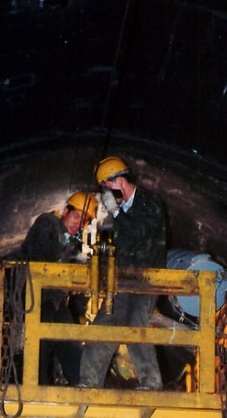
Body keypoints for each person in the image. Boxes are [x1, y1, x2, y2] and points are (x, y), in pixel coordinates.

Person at [78, 156, 167, 390]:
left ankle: (152, 383)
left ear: (119, 180)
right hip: (123, 281)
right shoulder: (124, 211)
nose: (107, 193)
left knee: (135, 324)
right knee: (103, 326)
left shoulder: (149, 202)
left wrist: (116, 211)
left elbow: (139, 233)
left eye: (107, 186)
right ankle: (88, 382)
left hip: (146, 279)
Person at [20, 192, 98, 384]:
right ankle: (42, 387)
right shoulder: (47, 223)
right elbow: (45, 255)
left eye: (84, 221)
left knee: (65, 342)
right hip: (37, 297)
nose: (78, 224)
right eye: (76, 216)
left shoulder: (71, 241)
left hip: (54, 300)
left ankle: (82, 385)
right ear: (65, 211)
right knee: (44, 346)